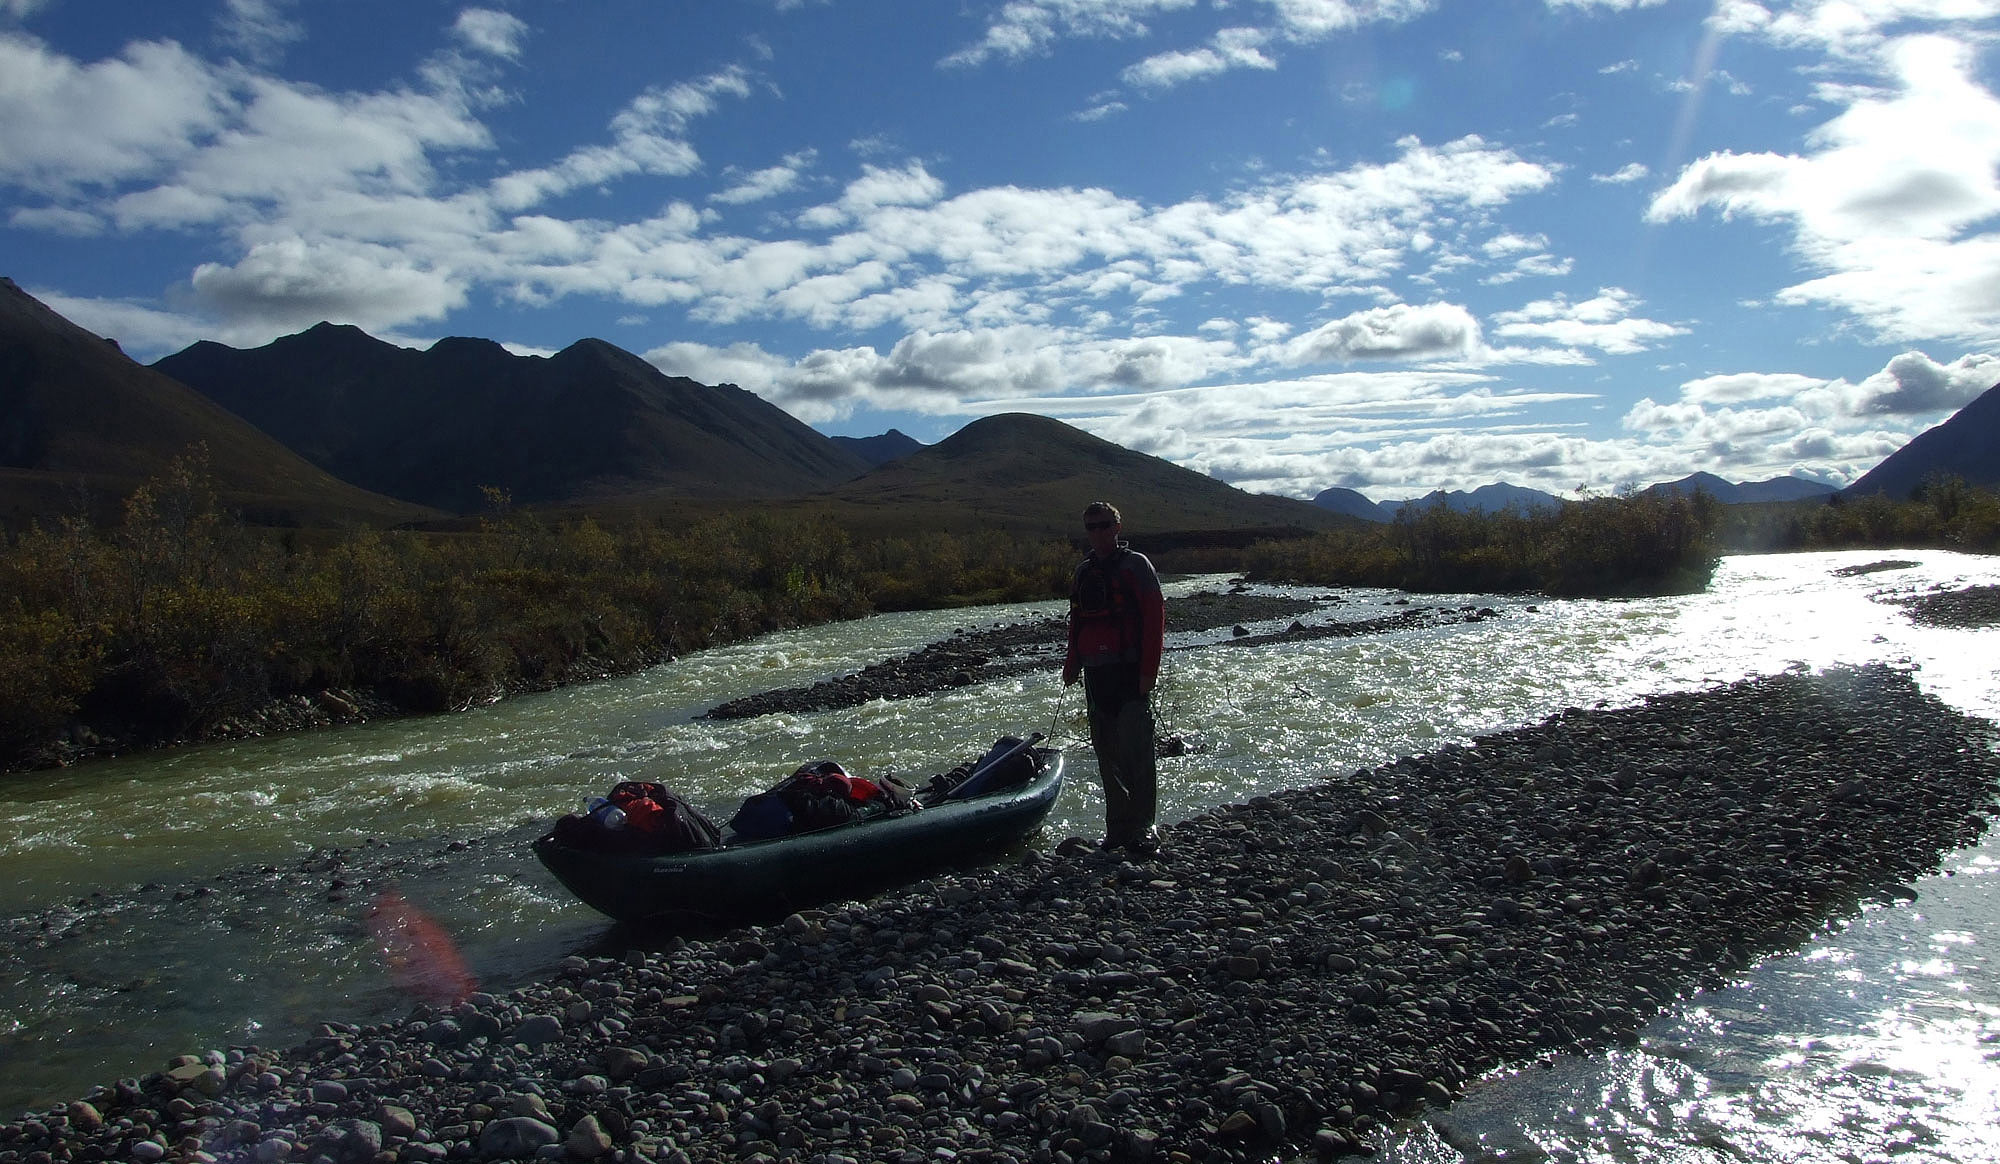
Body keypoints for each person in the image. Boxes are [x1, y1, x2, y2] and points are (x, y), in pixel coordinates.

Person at [1062, 501, 1167, 853]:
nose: (1098, 532)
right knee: (1106, 756)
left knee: (1137, 753)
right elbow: (1076, 622)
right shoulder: (1082, 572)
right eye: (1092, 526)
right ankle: (1118, 829)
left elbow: (1155, 621)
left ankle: (1145, 826)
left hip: (1129, 671)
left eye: (1105, 525)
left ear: (1117, 527)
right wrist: (1071, 664)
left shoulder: (1137, 566)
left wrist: (1147, 674)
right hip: (1096, 673)